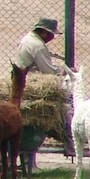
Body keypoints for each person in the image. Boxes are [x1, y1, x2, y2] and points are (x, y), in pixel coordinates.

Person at [11, 17, 73, 158]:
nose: (52, 37)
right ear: (44, 32)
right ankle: (68, 141)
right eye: (51, 34)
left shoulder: (28, 38)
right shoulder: (37, 45)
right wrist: (65, 70)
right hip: (32, 82)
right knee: (66, 105)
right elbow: (48, 70)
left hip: (21, 79)